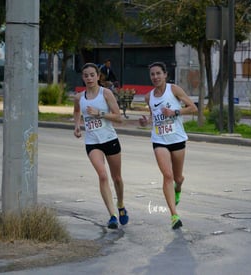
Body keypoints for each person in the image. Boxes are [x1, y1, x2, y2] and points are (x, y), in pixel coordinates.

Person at [139, 61, 198, 229]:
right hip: (159, 140)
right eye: (152, 74)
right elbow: (152, 117)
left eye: (158, 73)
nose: (155, 77)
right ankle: (174, 215)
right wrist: (145, 121)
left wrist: (175, 112)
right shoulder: (148, 96)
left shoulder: (174, 90)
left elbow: (193, 107)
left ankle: (178, 188)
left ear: (165, 75)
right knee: (167, 175)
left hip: (177, 139)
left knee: (177, 178)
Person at [73, 63, 129, 229]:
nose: (89, 78)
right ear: (83, 78)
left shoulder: (106, 93)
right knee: (103, 175)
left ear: (98, 76)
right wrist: (77, 125)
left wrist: (100, 113)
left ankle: (120, 204)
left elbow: (119, 118)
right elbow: (77, 111)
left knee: (116, 178)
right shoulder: (79, 97)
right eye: (86, 75)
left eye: (92, 75)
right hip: (92, 142)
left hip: (110, 139)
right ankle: (112, 215)